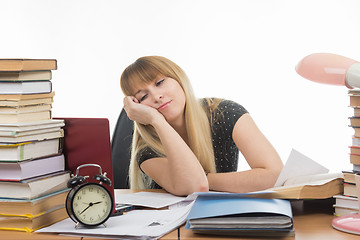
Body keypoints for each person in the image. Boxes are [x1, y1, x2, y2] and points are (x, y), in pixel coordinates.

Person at [120, 56, 283, 196]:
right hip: (175, 229)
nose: (157, 96)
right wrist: (157, 121)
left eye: (160, 82)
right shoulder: (146, 149)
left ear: (178, 77)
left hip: (224, 218)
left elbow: (275, 175)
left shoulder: (225, 113)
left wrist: (207, 178)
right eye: (144, 96)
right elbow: (195, 186)